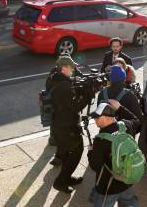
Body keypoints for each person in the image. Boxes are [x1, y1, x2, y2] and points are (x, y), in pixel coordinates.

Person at [49, 55, 94, 193]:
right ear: (64, 68)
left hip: (59, 124)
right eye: (71, 67)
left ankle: (66, 177)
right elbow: (74, 107)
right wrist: (88, 96)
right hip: (66, 126)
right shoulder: (64, 85)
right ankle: (60, 182)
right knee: (76, 150)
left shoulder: (55, 79)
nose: (73, 69)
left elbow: (66, 100)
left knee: (69, 152)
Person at [88, 101, 141, 207]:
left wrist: (90, 152)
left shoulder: (100, 140)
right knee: (129, 203)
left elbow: (95, 166)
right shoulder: (126, 125)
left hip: (108, 187)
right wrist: (120, 107)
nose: (95, 120)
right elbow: (137, 120)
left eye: (98, 117)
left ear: (108, 118)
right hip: (127, 180)